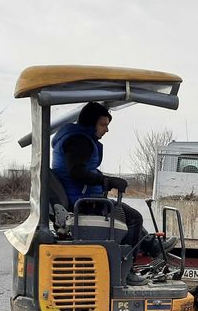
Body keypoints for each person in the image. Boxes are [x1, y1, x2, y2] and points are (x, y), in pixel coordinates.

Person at [51, 102, 164, 270]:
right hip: (83, 203)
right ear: (90, 123)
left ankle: (153, 246)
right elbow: (76, 172)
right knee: (134, 218)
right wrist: (107, 181)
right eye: (103, 124)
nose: (106, 129)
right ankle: (127, 269)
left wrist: (104, 180)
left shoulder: (74, 137)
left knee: (124, 216)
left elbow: (81, 170)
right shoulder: (79, 141)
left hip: (81, 198)